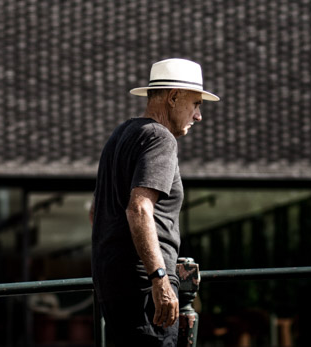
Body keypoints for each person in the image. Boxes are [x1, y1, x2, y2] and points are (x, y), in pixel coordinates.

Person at [91, 58, 220, 346]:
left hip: (112, 285)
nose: (198, 116)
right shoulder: (160, 138)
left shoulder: (120, 135)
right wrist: (159, 277)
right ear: (173, 97)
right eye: (196, 104)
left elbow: (95, 213)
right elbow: (139, 208)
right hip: (144, 289)